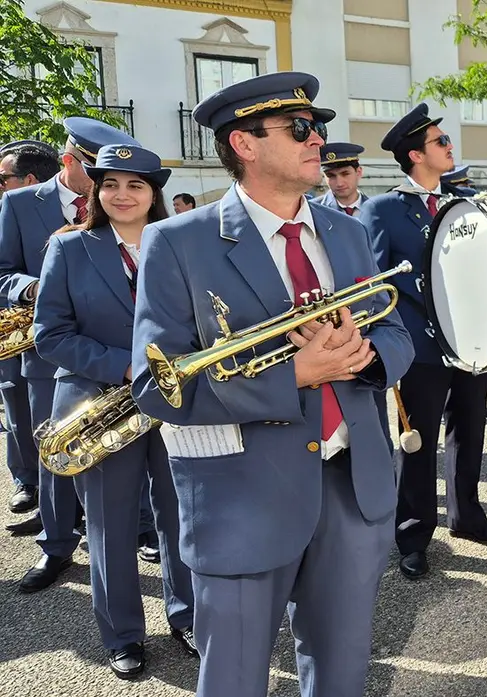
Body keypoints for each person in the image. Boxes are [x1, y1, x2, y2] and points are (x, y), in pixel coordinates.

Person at [129, 71, 413, 697]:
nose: (320, 142)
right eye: (302, 130)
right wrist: (297, 375)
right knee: (232, 676)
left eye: (318, 128)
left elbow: (396, 336)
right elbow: (155, 387)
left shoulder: (348, 231)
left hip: (352, 481)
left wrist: (363, 361)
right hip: (242, 493)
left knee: (342, 671)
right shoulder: (178, 240)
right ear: (246, 144)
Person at [33, 144, 196, 678]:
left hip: (174, 403)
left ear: (155, 193)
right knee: (110, 525)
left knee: (180, 517)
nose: (122, 195)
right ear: (96, 192)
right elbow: (49, 335)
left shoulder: (180, 244)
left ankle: (187, 615)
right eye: (110, 185)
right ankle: (122, 634)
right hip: (98, 405)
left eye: (136, 185)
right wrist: (125, 368)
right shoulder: (70, 248)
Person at [360, 102, 487, 583]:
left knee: (470, 429)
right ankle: (412, 535)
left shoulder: (459, 205)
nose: (450, 147)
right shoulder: (382, 209)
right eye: (441, 143)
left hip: (470, 340)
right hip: (420, 347)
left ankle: (467, 515)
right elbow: (374, 283)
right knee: (417, 441)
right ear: (414, 155)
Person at [0, 117, 138, 592]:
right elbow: (1, 274)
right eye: (94, 170)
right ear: (68, 161)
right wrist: (33, 287)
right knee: (55, 453)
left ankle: (137, 530)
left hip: (121, 353)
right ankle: (56, 545)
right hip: (50, 356)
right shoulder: (19, 203)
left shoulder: (122, 206)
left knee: (126, 448)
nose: (108, 183)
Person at [0, 140, 59, 523]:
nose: (0, 185)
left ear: (30, 178)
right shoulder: (10, 209)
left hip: (51, 331)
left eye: (3, 178)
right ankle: (28, 483)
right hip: (13, 328)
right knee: (17, 410)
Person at [315, 142, 368, 215]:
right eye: (331, 175)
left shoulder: (377, 209)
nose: (339, 183)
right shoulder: (313, 210)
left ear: (358, 172)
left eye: (345, 174)